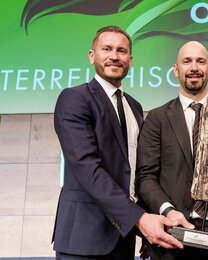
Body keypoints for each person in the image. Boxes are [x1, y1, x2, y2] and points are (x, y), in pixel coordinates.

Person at [52, 25, 182, 259]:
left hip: (124, 238)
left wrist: (153, 218)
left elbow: (135, 172)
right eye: (107, 49)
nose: (114, 56)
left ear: (130, 60)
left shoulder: (135, 106)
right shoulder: (74, 98)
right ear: (92, 56)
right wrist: (139, 219)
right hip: (84, 239)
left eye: (121, 51)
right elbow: (87, 167)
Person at [136, 41, 208, 260]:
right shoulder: (157, 119)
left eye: (201, 61)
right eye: (187, 61)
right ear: (176, 70)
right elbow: (145, 178)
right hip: (173, 235)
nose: (194, 67)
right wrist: (168, 211)